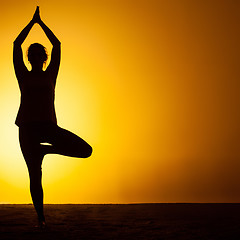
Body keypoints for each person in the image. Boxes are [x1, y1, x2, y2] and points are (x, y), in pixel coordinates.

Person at [13, 6, 92, 228]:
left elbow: (57, 45)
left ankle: (46, 150)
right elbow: (16, 45)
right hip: (27, 128)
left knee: (86, 150)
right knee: (34, 175)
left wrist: (41, 23)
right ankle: (41, 218)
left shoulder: (51, 75)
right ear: (29, 58)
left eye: (40, 54)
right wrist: (31, 23)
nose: (36, 57)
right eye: (33, 55)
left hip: (48, 127)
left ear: (44, 58)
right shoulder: (23, 75)